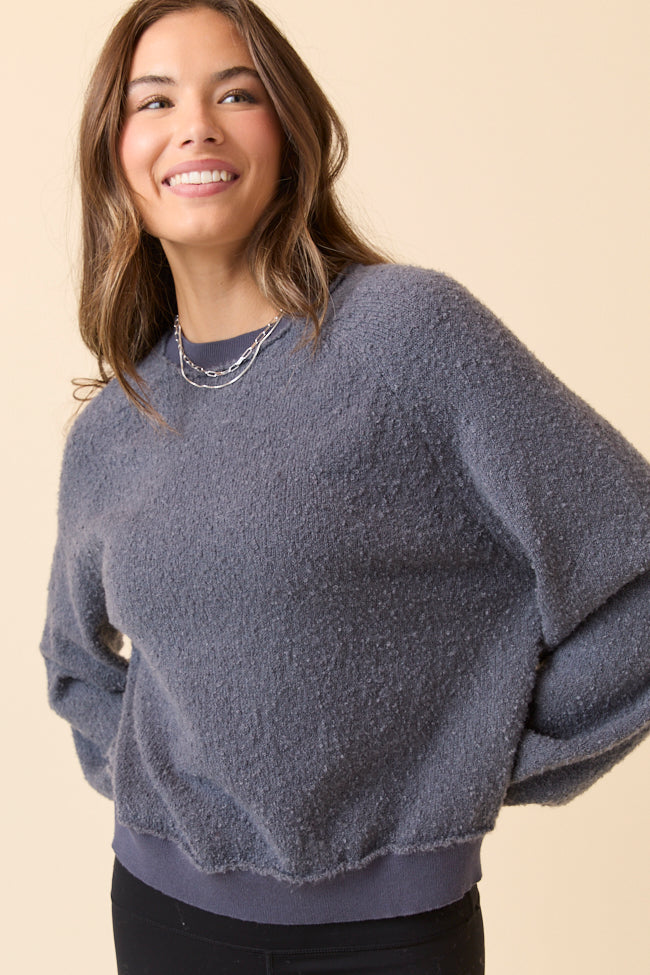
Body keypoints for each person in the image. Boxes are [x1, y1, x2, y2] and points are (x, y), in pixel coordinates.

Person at [39, 1, 650, 973]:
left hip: (389, 936)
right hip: (161, 919)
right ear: (114, 158)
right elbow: (76, 663)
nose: (195, 125)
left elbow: (635, 561)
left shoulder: (407, 335)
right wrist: (161, 796)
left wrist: (481, 762)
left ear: (288, 131)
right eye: (154, 102)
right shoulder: (116, 423)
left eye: (236, 93)